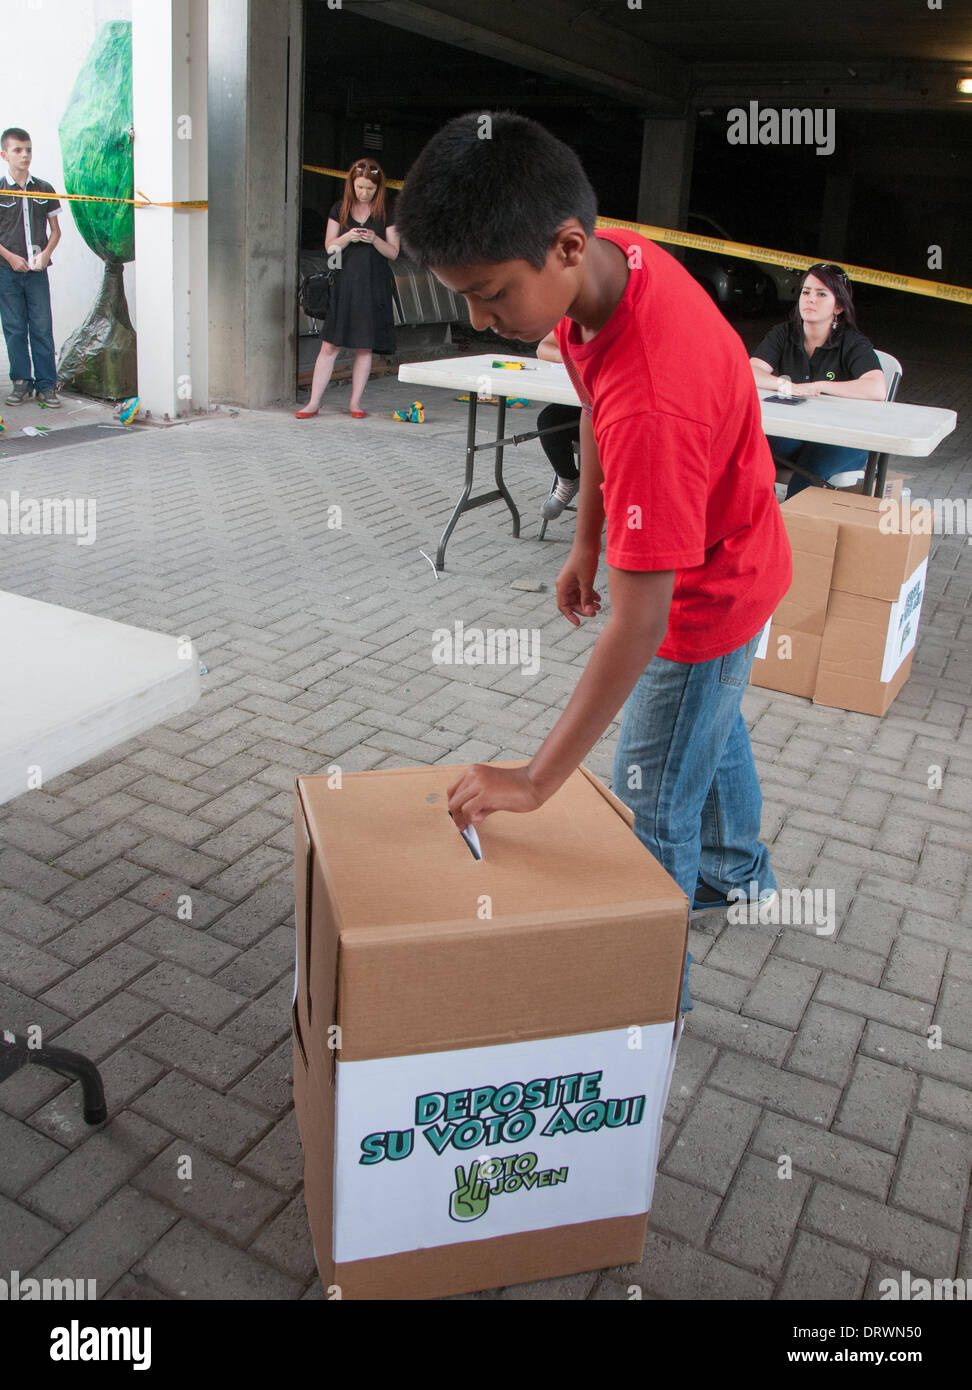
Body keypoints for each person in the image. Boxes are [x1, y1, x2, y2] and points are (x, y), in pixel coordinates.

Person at [396, 113, 792, 1013]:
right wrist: (586, 539)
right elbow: (596, 405)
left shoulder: (659, 396)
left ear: (565, 246)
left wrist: (534, 781)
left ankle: (648, 1018)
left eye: (491, 293)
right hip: (736, 553)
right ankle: (740, 872)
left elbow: (640, 623)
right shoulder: (611, 266)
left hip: (709, 596)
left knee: (648, 806)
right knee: (713, 724)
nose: (478, 317)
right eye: (464, 294)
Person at [750, 264, 886, 497]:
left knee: (805, 479)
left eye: (821, 294)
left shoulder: (852, 342)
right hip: (797, 432)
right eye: (806, 292)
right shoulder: (784, 333)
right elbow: (750, 370)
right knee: (752, 456)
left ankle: (796, 530)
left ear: (839, 306)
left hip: (842, 437)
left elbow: (877, 387)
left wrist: (820, 386)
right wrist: (787, 386)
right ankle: (763, 525)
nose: (811, 299)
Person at [296, 159, 399, 420]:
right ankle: (313, 403)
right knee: (329, 345)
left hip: (373, 285)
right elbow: (330, 247)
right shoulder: (339, 208)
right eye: (360, 187)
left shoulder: (387, 213)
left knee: (364, 347)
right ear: (351, 185)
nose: (364, 193)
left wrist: (374, 239)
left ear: (379, 189)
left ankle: (356, 403)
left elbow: (394, 252)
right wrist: (348, 237)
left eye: (369, 189)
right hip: (343, 285)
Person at [0, 127, 62, 408]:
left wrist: (46, 254)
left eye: (28, 150)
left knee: (41, 326)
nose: (24, 155)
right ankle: (21, 383)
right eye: (17, 150)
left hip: (38, 273)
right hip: (7, 272)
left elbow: (56, 232)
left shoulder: (45, 189)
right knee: (14, 328)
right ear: (4, 154)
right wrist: (11, 257)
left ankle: (47, 385)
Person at [534, 329, 582, 520]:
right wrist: (569, 358)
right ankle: (568, 479)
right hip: (585, 402)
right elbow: (543, 347)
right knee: (549, 420)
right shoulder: (577, 316)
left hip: (623, 410)